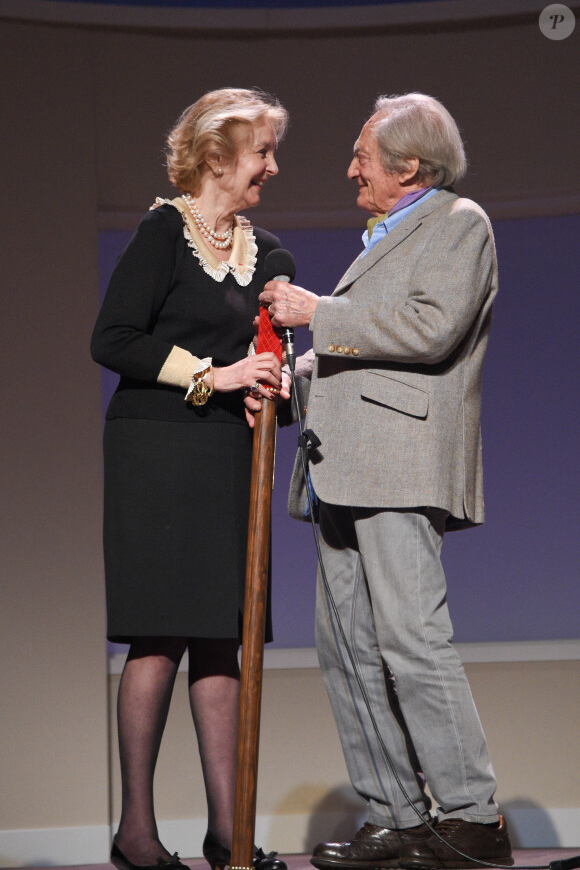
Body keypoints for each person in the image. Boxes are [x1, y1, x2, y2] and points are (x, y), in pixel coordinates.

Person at [255, 93, 513, 869]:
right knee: (348, 651)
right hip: (342, 471)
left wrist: (318, 312)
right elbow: (353, 355)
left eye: (362, 155)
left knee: (412, 641)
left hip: (399, 467)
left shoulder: (458, 224)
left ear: (409, 165)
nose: (350, 169)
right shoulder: (386, 235)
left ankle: (471, 814)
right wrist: (288, 377)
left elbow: (430, 329)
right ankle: (397, 813)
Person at [91, 88, 290, 870]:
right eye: (262, 152)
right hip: (156, 451)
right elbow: (112, 338)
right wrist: (217, 373)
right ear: (216, 157)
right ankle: (136, 832)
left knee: (222, 638)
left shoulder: (267, 254)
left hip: (225, 458)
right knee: (159, 633)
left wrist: (267, 386)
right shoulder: (161, 233)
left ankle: (228, 835)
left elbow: (270, 361)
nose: (272, 167)